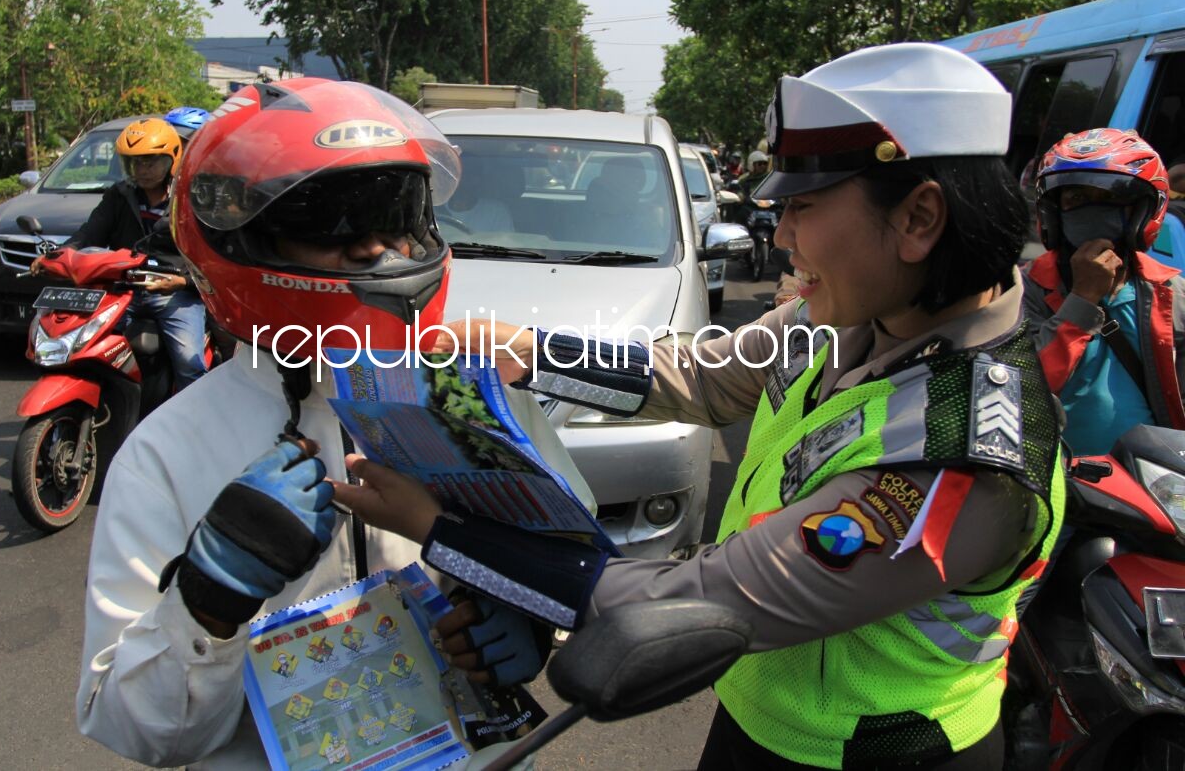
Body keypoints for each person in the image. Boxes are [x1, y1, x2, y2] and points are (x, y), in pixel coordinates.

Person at [333, 43, 1068, 771]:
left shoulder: (959, 455)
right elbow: (707, 374)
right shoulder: (855, 315)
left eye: (803, 208)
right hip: (763, 715)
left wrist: (438, 529)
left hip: (870, 755)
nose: (779, 237)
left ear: (919, 219)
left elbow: (694, 598)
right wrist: (529, 349)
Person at [75, 78, 593, 769]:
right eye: (335, 222)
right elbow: (131, 725)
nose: (377, 251)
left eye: (397, 216)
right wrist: (205, 603)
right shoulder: (165, 454)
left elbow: (584, 555)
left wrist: (534, 609)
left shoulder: (473, 397)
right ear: (239, 234)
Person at [1021, 129, 1185, 456]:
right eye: (1076, 200)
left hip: (1152, 482)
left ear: (1140, 211)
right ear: (1054, 211)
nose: (1091, 211)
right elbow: (1021, 390)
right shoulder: (1024, 290)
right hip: (1056, 474)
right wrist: (1082, 300)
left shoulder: (1172, 293)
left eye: (1107, 199)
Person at [31, 117, 208, 391]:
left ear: (173, 158)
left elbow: (208, 255)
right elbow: (89, 234)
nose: (142, 169)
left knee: (188, 362)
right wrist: (56, 256)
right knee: (83, 346)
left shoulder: (189, 200)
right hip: (121, 291)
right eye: (135, 162)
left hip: (172, 292)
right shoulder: (120, 194)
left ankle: (195, 424)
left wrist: (183, 281)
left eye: (150, 161)